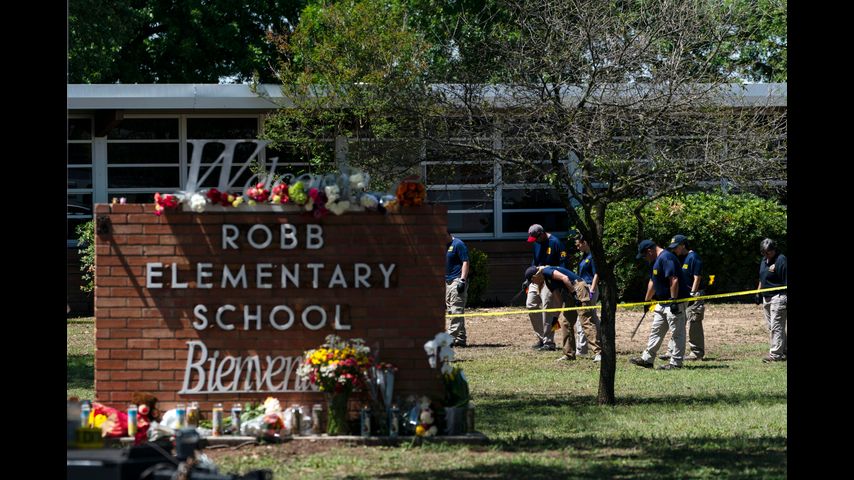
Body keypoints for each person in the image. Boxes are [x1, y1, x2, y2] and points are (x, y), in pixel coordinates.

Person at [629, 239, 691, 370]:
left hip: (674, 303)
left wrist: (674, 300)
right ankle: (647, 359)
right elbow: (653, 281)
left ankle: (676, 363)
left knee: (677, 333)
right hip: (661, 303)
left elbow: (674, 280)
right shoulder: (655, 261)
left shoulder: (667, 258)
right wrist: (647, 301)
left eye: (645, 255)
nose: (645, 259)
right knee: (656, 331)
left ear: (650, 251)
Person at [525, 264, 602, 363]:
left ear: (535, 276)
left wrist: (574, 295)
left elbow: (565, 278)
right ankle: (569, 354)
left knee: (585, 321)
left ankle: (598, 353)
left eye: (532, 281)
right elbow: (559, 301)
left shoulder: (547, 271)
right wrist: (555, 317)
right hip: (570, 292)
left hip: (578, 287)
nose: (533, 283)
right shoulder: (548, 282)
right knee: (565, 322)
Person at [659, 234, 706, 361]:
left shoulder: (693, 257)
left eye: (676, 247)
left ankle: (696, 352)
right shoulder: (679, 258)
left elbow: (697, 278)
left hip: (693, 295)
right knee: (677, 322)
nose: (674, 250)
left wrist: (692, 294)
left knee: (694, 322)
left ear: (683, 245)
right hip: (683, 295)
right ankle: (672, 350)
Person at [525, 224, 566, 351]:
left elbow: (562, 265)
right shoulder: (536, 243)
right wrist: (528, 279)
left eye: (536, 238)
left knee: (549, 309)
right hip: (536, 277)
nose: (535, 241)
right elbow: (535, 261)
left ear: (542, 234)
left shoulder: (556, 243)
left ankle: (549, 342)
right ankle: (542, 337)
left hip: (551, 279)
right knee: (530, 305)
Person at [756, 238, 787, 363]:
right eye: (763, 252)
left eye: (768, 252)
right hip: (766, 297)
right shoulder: (764, 260)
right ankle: (784, 350)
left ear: (774, 250)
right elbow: (761, 278)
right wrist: (758, 292)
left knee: (776, 326)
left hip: (778, 297)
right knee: (772, 327)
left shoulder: (781, 260)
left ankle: (775, 355)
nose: (766, 255)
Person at [574, 234, 601, 361]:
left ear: (585, 243)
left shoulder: (593, 256)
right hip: (582, 288)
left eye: (579, 244)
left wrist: (592, 289)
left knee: (585, 317)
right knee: (591, 317)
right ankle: (585, 347)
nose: (578, 247)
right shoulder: (584, 257)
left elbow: (596, 273)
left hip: (589, 288)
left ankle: (583, 348)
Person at [445, 230, 470, 347]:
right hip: (447, 281)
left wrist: (462, 280)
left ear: (447, 234)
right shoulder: (443, 246)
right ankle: (460, 338)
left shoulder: (458, 244)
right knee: (452, 310)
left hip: (457, 280)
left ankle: (449, 340)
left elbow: (465, 261)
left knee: (456, 310)